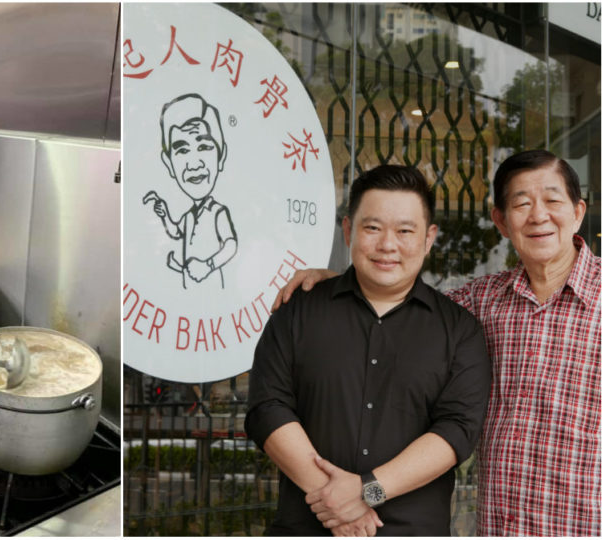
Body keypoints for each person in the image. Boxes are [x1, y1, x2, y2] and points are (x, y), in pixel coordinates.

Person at [272, 150, 600, 536]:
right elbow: (398, 294)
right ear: (501, 221)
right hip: (501, 528)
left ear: (577, 212)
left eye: (552, 201)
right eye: (521, 204)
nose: (539, 216)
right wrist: (338, 281)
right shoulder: (482, 302)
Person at [246, 165, 490, 536]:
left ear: (428, 238)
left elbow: (456, 430)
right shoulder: (299, 309)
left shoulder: (460, 330)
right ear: (348, 230)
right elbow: (268, 407)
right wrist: (334, 500)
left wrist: (366, 492)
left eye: (405, 231)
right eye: (372, 228)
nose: (387, 245)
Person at [142, 93, 238, 289]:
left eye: (204, 146)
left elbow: (231, 245)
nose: (194, 164)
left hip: (214, 295)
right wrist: (164, 213)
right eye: (183, 150)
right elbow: (177, 232)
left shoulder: (217, 211)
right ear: (168, 163)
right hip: (189, 292)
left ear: (221, 157)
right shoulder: (189, 215)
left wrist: (207, 266)